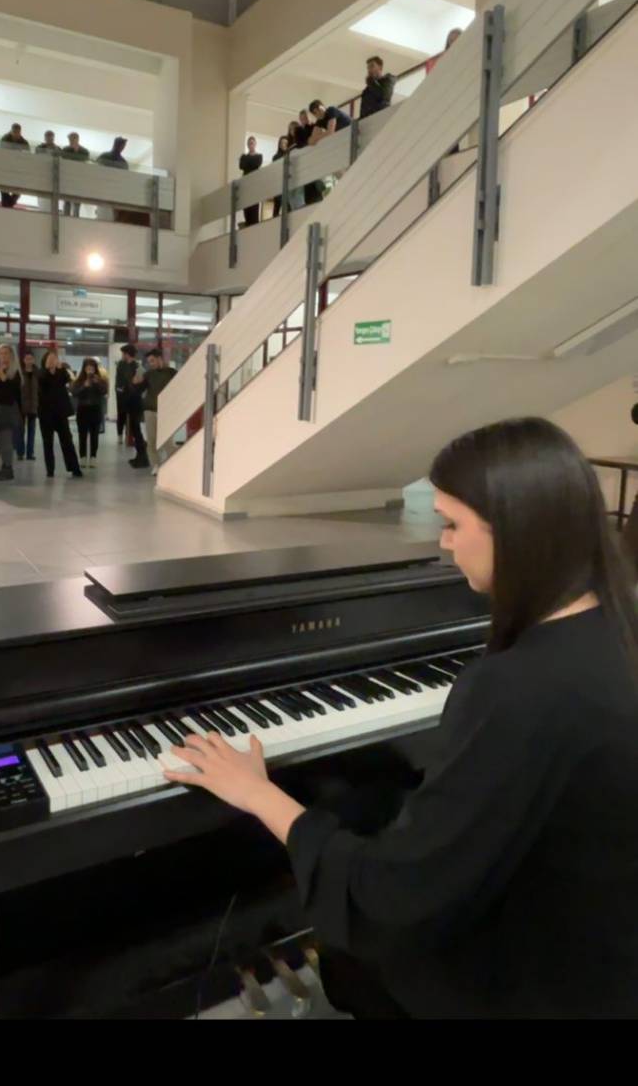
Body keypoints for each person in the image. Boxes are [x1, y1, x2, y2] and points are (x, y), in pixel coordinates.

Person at [163, 417, 638, 1021]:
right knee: (374, 805)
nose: (444, 543)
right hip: (603, 939)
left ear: (517, 531)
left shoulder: (518, 687)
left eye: (453, 524)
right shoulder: (615, 626)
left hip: (541, 980)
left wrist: (259, 793)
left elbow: (389, 901)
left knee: (352, 944)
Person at [37, 347, 82, 478]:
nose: (52, 361)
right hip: (45, 413)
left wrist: (60, 369)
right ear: (45, 360)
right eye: (50, 359)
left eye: (54, 358)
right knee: (48, 442)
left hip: (60, 413)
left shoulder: (61, 373)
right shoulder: (41, 373)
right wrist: (48, 370)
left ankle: (74, 468)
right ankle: (50, 470)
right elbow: (42, 383)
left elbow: (68, 379)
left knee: (67, 440)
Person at [0, 342, 22, 482]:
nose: (4, 356)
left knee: (6, 441)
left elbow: (12, 392)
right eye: (1, 353)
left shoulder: (15, 373)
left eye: (6, 353)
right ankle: (4, 466)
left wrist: (3, 376)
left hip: (8, 410)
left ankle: (8, 468)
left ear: (11, 356)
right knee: (0, 442)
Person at [141, 347, 176, 470]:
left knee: (167, 441)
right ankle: (155, 465)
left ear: (159, 359)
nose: (150, 364)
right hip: (150, 410)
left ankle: (173, 463)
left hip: (165, 411)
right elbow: (139, 389)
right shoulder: (148, 374)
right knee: (151, 440)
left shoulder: (172, 373)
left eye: (152, 361)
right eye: (149, 362)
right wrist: (135, 383)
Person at [73, 358, 108, 465]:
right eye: (88, 368)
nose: (90, 371)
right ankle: (82, 456)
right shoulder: (79, 380)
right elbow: (74, 393)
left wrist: (97, 383)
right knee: (82, 435)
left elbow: (104, 391)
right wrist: (84, 386)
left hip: (95, 409)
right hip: (82, 410)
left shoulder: (100, 379)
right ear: (84, 369)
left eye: (92, 368)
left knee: (94, 435)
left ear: (95, 369)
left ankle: (93, 456)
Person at [125, 357, 150, 470]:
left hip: (137, 405)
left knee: (137, 432)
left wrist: (134, 382)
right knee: (135, 432)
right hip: (133, 404)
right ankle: (140, 455)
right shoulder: (133, 368)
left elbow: (138, 384)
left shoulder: (139, 369)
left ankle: (142, 457)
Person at [0, 122, 30, 207]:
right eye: (14, 132)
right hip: (6, 168)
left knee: (17, 191)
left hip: (19, 169)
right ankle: (6, 205)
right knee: (3, 190)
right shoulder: (5, 139)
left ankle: (9, 204)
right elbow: (1, 153)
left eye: (17, 132)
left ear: (20, 132)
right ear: (11, 131)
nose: (16, 134)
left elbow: (27, 157)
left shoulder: (24, 143)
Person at [60, 130, 89, 216]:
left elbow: (84, 163)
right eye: (70, 139)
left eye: (72, 139)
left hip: (79, 178)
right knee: (67, 201)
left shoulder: (84, 151)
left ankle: (75, 217)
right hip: (68, 177)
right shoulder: (66, 150)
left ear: (77, 139)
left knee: (77, 202)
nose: (71, 141)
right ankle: (66, 216)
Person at [17, 349, 39, 460]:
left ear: (34, 360)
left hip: (33, 406)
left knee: (32, 431)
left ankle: (30, 453)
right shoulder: (19, 373)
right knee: (20, 430)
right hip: (21, 405)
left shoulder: (37, 373)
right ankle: (20, 452)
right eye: (27, 359)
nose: (29, 361)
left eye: (31, 359)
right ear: (24, 360)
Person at [115, 343, 138, 445]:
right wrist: (119, 390)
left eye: (123, 353)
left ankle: (131, 436)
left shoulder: (136, 365)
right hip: (121, 394)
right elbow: (118, 379)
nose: (122, 355)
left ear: (127, 354)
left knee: (133, 416)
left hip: (132, 394)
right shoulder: (121, 364)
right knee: (121, 415)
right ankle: (120, 435)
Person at [359, 55, 396, 120]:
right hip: (367, 121)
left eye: (372, 66)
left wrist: (372, 84)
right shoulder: (367, 90)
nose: (369, 70)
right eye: (368, 68)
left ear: (380, 67)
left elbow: (385, 96)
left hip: (380, 117)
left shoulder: (388, 80)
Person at [238, 135, 263, 226]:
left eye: (252, 143)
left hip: (255, 186)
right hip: (245, 186)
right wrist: (249, 162)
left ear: (255, 144)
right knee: (246, 210)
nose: (251, 145)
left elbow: (256, 164)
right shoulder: (243, 156)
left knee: (254, 210)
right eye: (249, 143)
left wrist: (247, 162)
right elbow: (241, 166)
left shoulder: (259, 156)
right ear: (247, 145)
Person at [271, 133, 291, 217]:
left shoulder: (290, 155)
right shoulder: (275, 157)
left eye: (286, 143)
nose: (284, 145)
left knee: (289, 208)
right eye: (282, 143)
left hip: (289, 185)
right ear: (279, 145)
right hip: (278, 185)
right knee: (277, 208)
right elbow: (275, 172)